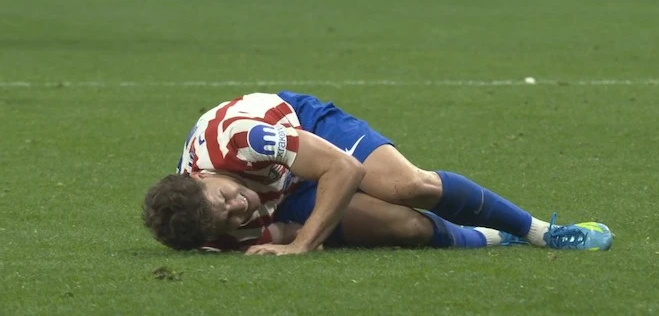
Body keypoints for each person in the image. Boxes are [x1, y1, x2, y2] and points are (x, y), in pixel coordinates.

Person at [143, 92, 613, 254]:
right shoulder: (213, 231)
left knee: (406, 187)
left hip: (307, 130)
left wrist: (304, 245)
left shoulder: (239, 140)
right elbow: (279, 229)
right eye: (228, 219)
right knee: (406, 228)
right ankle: (498, 236)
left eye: (224, 200)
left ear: (201, 178)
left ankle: (541, 233)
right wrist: (291, 237)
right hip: (285, 188)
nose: (238, 209)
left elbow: (341, 168)